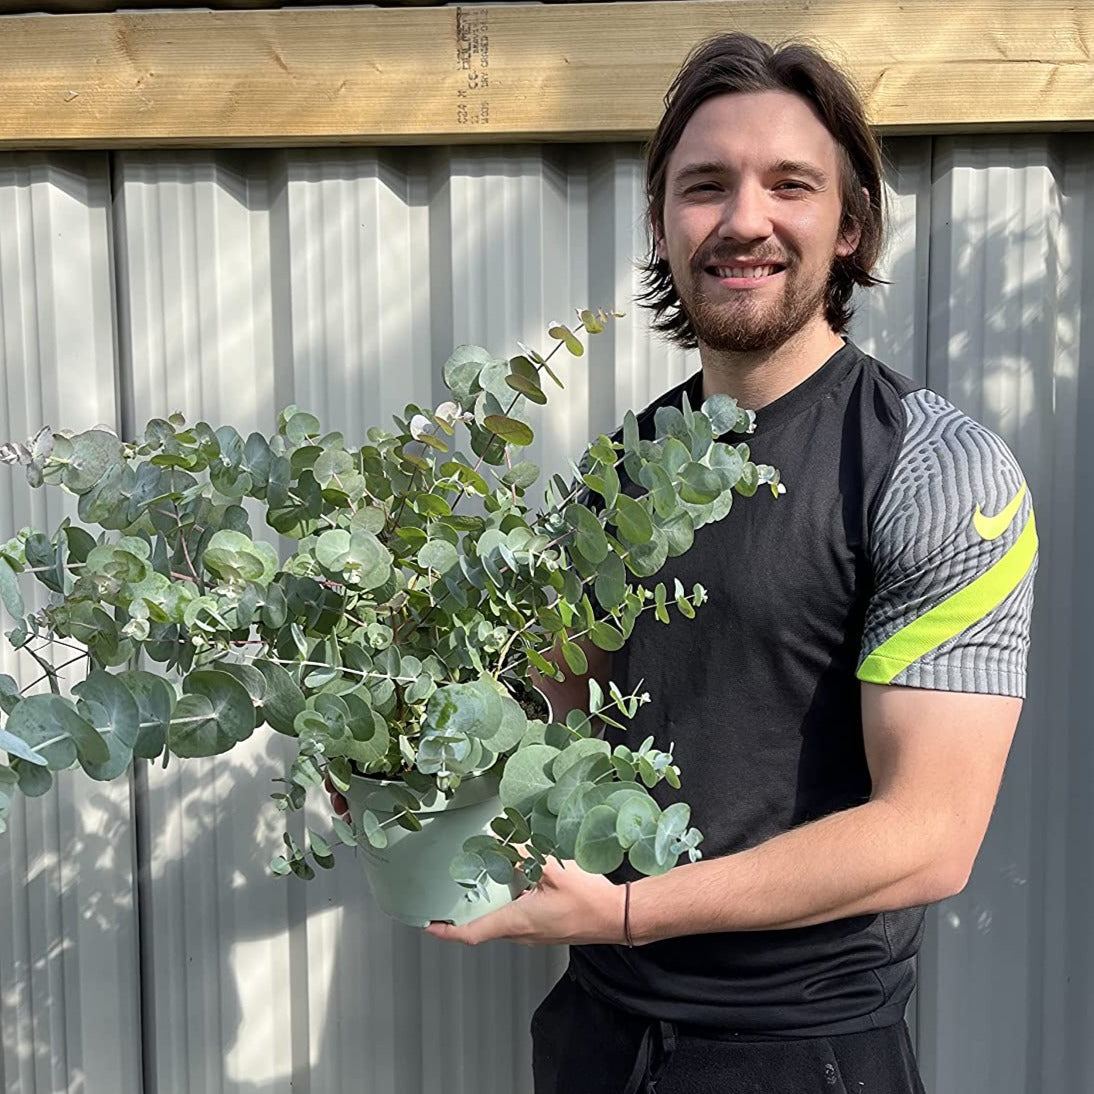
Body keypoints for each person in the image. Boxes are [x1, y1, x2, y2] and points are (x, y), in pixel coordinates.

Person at [333, 33, 1039, 1094]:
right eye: (703, 186)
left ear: (847, 225)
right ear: (662, 227)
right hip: (596, 1032)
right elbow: (558, 714)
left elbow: (927, 836)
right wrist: (397, 758)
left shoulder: (935, 472)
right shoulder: (618, 473)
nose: (742, 219)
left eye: (787, 185)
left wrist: (624, 911)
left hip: (798, 1051)